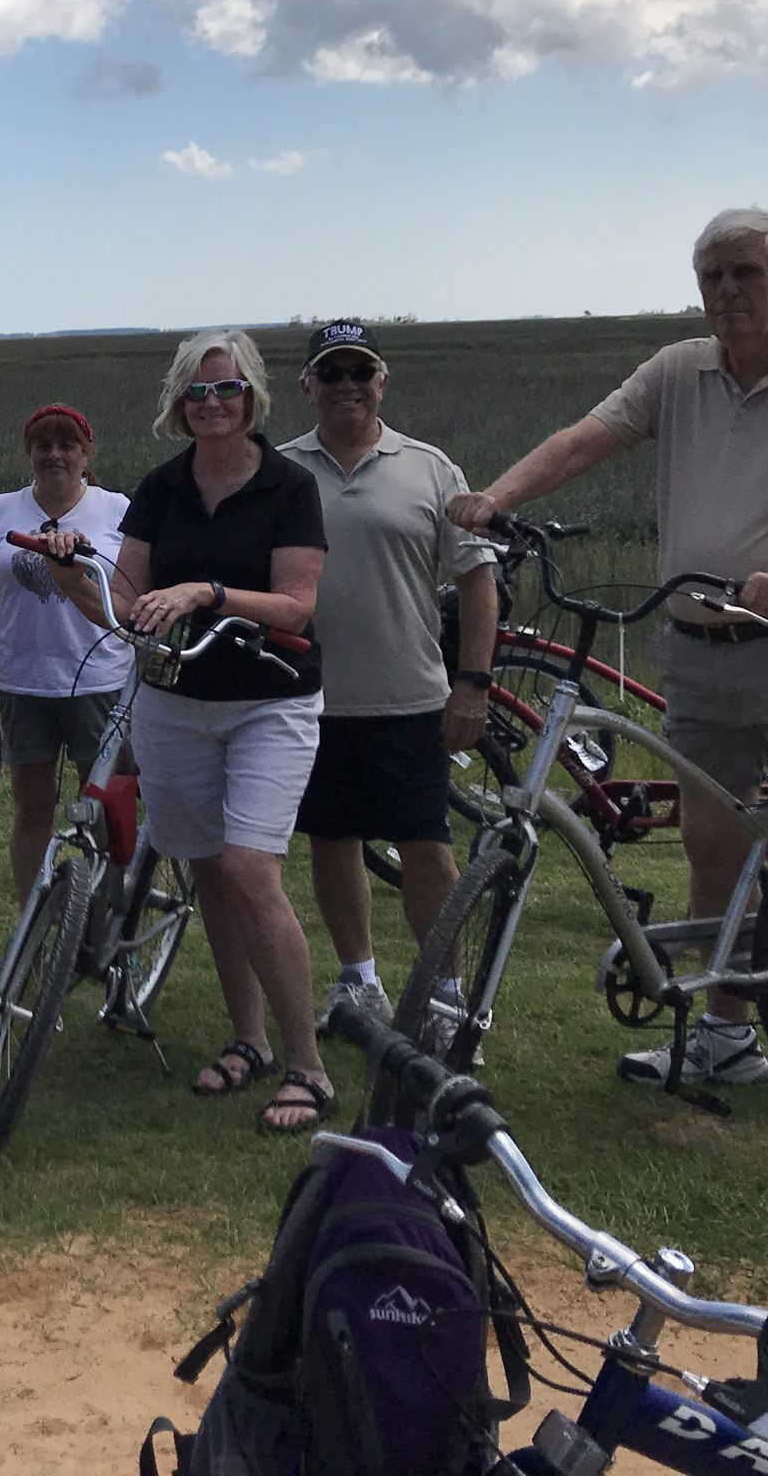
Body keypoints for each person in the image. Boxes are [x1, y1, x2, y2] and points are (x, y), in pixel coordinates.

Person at [450, 207, 768, 1152]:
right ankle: (726, 1037)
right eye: (711, 276)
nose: (726, 292)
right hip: (699, 653)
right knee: (713, 848)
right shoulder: (679, 371)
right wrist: (496, 498)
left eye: (744, 274)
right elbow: (586, 438)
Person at [38, 331, 332, 1133]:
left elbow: (296, 606)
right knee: (207, 871)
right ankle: (249, 1042)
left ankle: (308, 1064)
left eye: (226, 390)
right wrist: (73, 571)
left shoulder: (288, 486)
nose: (212, 404)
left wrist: (206, 591)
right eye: (197, 393)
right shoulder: (162, 488)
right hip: (175, 701)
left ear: (252, 396)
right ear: (178, 403)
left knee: (249, 868)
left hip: (270, 701)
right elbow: (128, 605)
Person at [275, 323, 498, 1034]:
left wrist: (474, 683)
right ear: (307, 385)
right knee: (331, 842)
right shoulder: (279, 471)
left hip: (411, 695)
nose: (346, 386)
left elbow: (477, 582)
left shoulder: (430, 468)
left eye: (359, 372)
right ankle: (358, 983)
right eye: (330, 373)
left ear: (383, 381)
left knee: (426, 849)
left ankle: (445, 999)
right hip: (309, 695)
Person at [0, 404, 136, 902]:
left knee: (103, 808)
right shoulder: (0, 512)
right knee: (32, 811)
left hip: (101, 682)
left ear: (85, 453)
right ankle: (33, 925)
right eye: (43, 446)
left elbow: (136, 596)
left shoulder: (117, 510)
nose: (55, 455)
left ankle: (107, 920)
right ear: (29, 453)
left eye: (67, 446)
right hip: (24, 683)